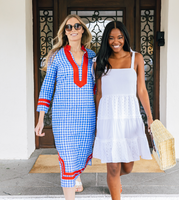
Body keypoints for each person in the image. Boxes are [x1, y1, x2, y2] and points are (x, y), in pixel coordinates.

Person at [34, 14, 96, 200]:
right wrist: (40, 119)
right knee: (67, 159)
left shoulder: (91, 56)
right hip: (64, 117)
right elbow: (46, 87)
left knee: (81, 153)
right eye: (68, 27)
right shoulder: (56, 56)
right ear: (64, 32)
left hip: (87, 115)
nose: (73, 29)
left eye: (77, 26)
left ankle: (76, 177)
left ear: (82, 30)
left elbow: (98, 86)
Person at [93, 21, 153, 200]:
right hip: (108, 117)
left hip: (129, 116)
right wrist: (97, 122)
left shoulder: (137, 58)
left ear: (125, 38)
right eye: (111, 38)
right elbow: (100, 93)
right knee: (112, 167)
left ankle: (115, 183)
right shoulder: (99, 62)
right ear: (106, 40)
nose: (115, 41)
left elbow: (141, 90)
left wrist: (150, 118)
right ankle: (114, 191)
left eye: (119, 37)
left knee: (127, 167)